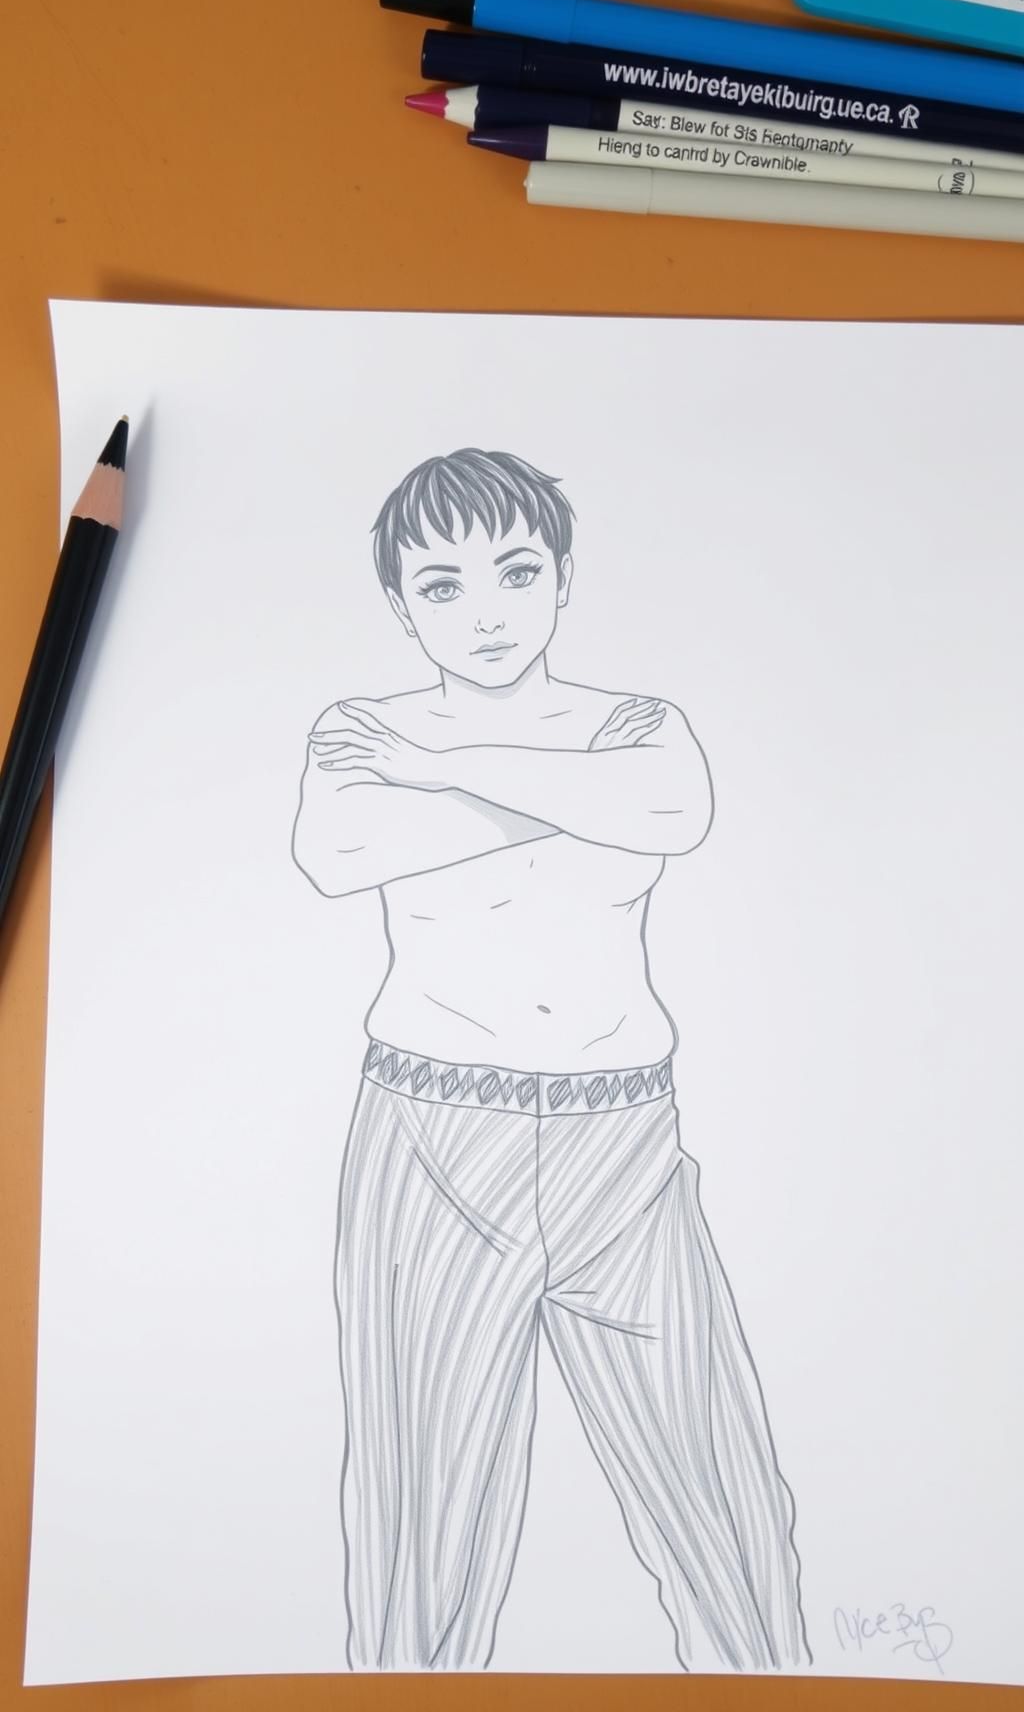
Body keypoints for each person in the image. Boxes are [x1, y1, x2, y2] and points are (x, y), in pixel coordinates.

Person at [292, 448, 809, 1673]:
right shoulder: (361, 729)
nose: (486, 614)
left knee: (725, 1511)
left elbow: (673, 808)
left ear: (564, 580)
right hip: (430, 1134)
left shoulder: (635, 725)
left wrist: (446, 771)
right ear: (400, 604)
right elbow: (339, 851)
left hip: (620, 1140)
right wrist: (574, 792)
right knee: (421, 1534)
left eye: (517, 574)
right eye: (443, 586)